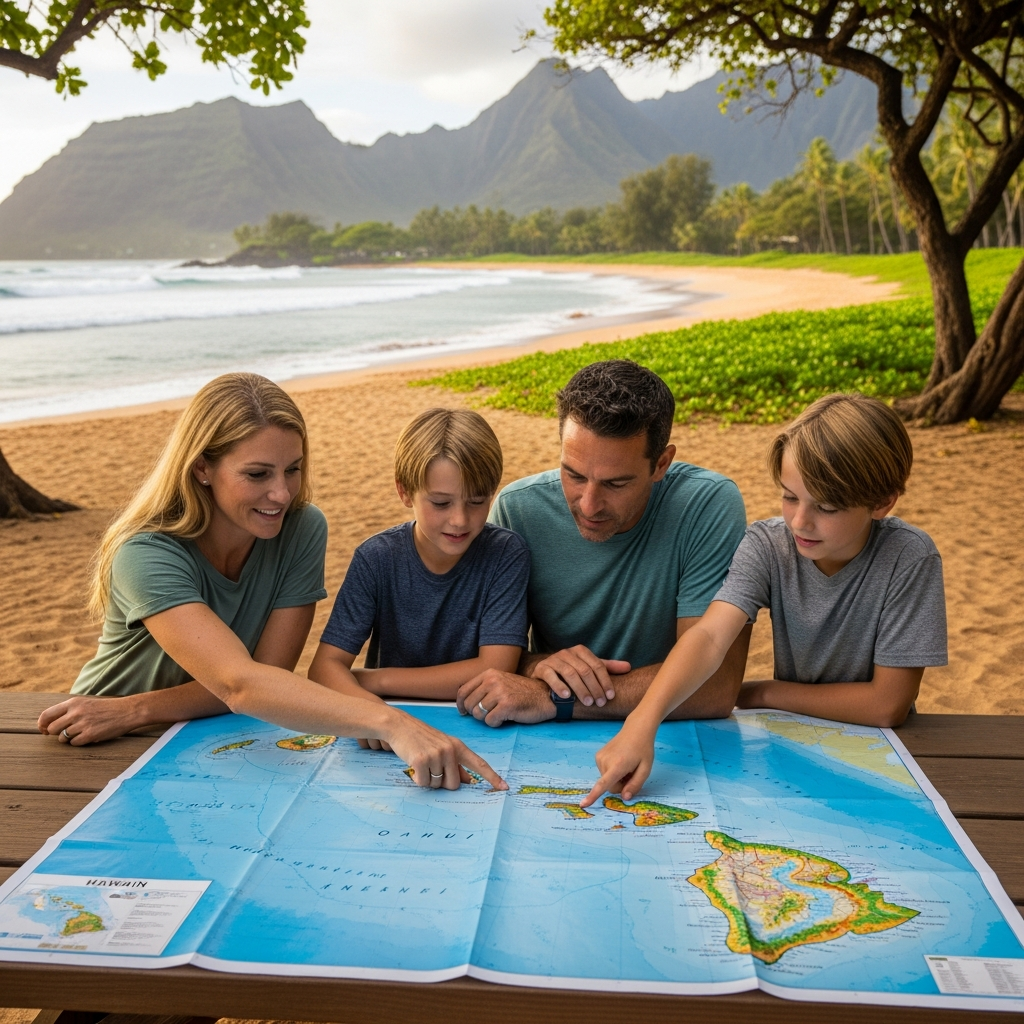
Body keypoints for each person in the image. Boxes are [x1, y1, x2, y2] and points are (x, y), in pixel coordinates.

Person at [38, 373, 503, 792]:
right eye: (258, 474)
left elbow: (265, 677)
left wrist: (145, 708)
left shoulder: (301, 529)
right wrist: (393, 723)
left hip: (209, 733)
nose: (282, 494)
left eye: (293, 469)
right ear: (202, 468)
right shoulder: (145, 552)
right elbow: (241, 684)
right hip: (106, 736)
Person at [579, 392, 948, 807]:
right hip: (791, 741)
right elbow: (710, 637)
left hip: (887, 757)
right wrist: (640, 723)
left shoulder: (910, 556)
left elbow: (886, 705)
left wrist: (764, 693)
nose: (800, 521)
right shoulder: (768, 544)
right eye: (790, 496)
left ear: (882, 502)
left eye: (826, 506)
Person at [455, 359, 751, 726]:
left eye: (615, 483)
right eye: (573, 474)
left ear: (661, 464)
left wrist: (553, 698)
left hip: (668, 735)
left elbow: (715, 686)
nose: (589, 504)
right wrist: (537, 664)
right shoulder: (517, 511)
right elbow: (486, 656)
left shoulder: (707, 505)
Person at [307, 408, 529, 707]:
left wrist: (379, 680)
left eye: (477, 501)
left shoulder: (506, 554)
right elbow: (323, 669)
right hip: (391, 720)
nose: (460, 520)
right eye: (440, 503)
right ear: (405, 491)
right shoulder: (376, 559)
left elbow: (496, 669)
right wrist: (377, 716)